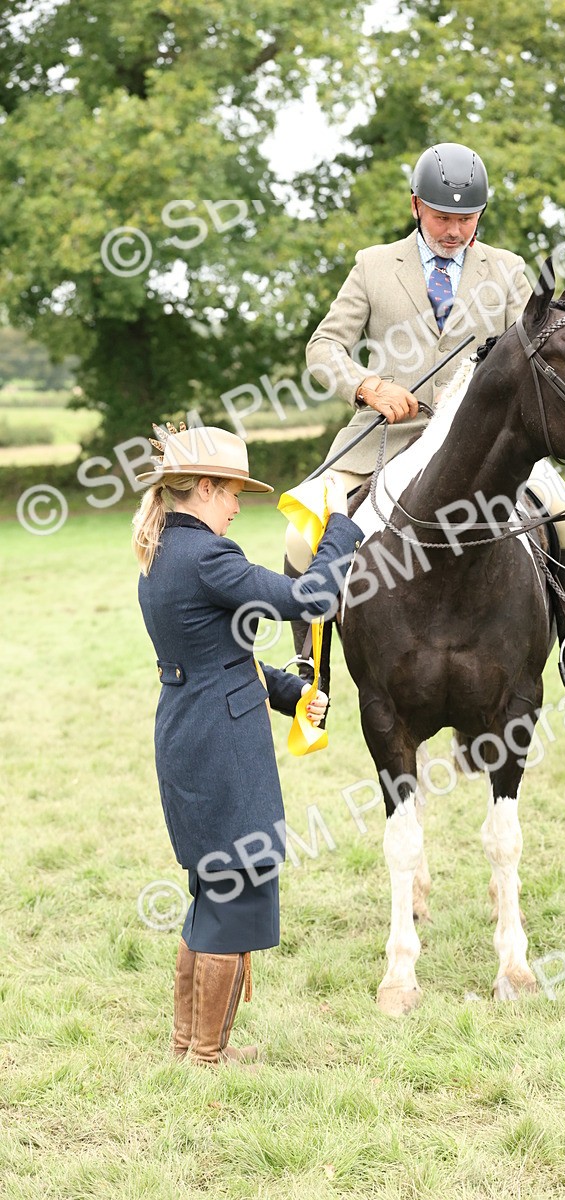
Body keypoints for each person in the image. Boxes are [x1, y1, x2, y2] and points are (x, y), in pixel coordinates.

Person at [286, 141, 565, 698]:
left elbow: (533, 353)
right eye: (442, 216)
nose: (454, 230)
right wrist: (366, 385)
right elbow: (324, 347)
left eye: (466, 218)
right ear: (416, 206)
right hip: (385, 437)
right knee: (301, 533)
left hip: (483, 443)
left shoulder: (508, 271)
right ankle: (309, 662)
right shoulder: (372, 266)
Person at [132, 422, 362, 1066]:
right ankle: (208, 1055)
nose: (238, 504)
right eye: (232, 492)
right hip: (222, 744)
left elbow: (217, 654)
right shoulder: (208, 556)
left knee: (213, 891)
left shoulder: (165, 552)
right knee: (235, 890)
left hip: (192, 730)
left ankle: (190, 1044)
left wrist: (290, 692)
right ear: (204, 488)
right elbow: (311, 597)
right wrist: (340, 526)